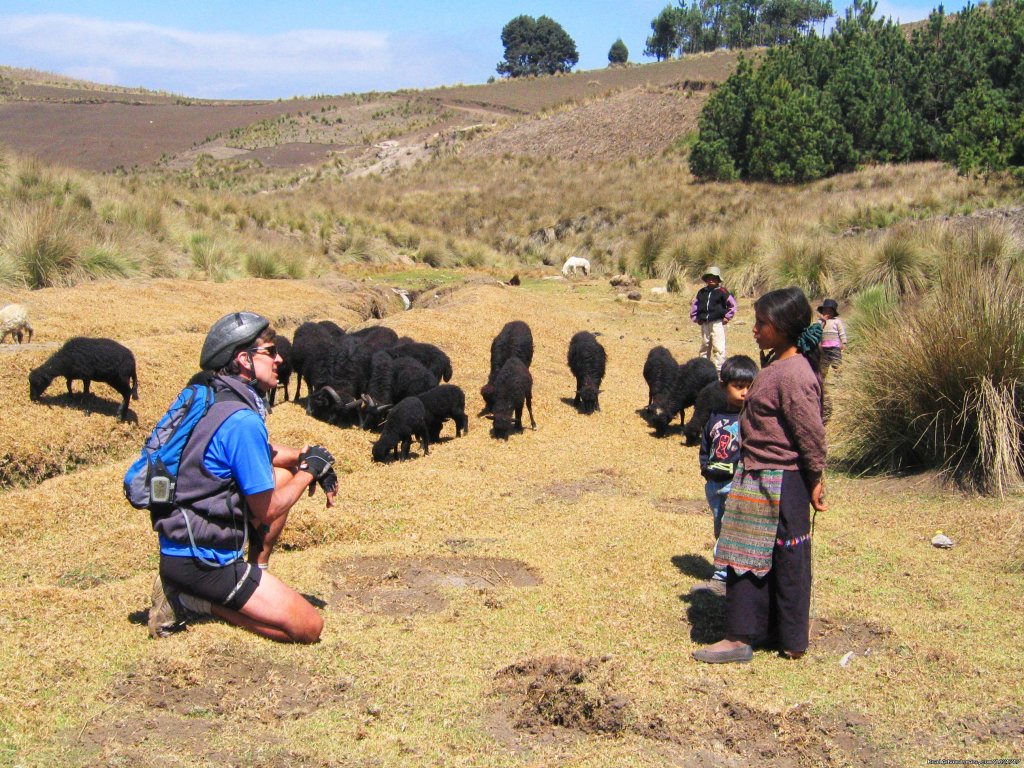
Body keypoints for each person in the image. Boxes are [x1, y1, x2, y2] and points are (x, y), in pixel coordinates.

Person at [148, 311, 337, 643]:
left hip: (180, 545)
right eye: (270, 351)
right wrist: (309, 472)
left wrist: (301, 459)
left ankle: (254, 576)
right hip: (202, 559)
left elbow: (260, 452)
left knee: (280, 474)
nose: (280, 358)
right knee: (308, 627)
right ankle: (191, 601)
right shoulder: (242, 421)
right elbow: (269, 509)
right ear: (243, 360)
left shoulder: (216, 396)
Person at [693, 287, 828, 664]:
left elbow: (810, 432)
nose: (754, 329)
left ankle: (759, 638)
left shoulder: (794, 373)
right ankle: (770, 633)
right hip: (762, 476)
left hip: (778, 480)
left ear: (783, 328)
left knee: (773, 557)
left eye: (762, 324)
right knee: (756, 554)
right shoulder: (779, 368)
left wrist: (816, 477)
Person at [690, 355, 759, 598]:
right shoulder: (715, 417)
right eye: (738, 387)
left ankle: (721, 578)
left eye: (750, 387)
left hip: (736, 484)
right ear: (723, 386)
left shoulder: (751, 420)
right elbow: (705, 445)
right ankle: (730, 569)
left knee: (730, 528)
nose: (744, 393)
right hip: (714, 484)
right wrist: (704, 467)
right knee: (720, 527)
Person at [690, 266, 737, 373]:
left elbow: (732, 305)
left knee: (719, 346)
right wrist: (695, 317)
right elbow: (695, 305)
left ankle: (719, 370)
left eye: (714, 278)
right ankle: (702, 368)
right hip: (704, 323)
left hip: (717, 323)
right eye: (709, 277)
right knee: (705, 345)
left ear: (718, 279)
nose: (711, 280)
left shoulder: (722, 292)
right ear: (706, 279)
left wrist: (727, 317)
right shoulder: (702, 292)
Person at [816, 299, 847, 377]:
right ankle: (822, 379)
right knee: (823, 365)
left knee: (836, 363)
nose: (827, 313)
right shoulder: (820, 321)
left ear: (833, 312)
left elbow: (842, 332)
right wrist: (823, 320)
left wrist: (843, 342)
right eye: (825, 310)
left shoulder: (837, 321)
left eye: (829, 311)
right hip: (823, 347)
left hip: (835, 347)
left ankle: (839, 377)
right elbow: (817, 331)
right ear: (822, 312)